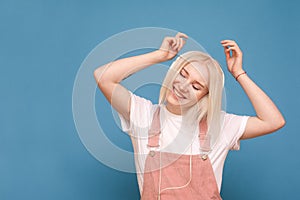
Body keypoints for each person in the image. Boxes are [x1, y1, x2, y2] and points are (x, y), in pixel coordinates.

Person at [93, 32, 285, 199]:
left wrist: (239, 73)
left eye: (196, 86)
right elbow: (103, 76)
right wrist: (159, 56)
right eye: (183, 74)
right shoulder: (143, 115)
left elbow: (273, 121)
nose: (183, 87)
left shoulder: (219, 125)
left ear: (205, 97)